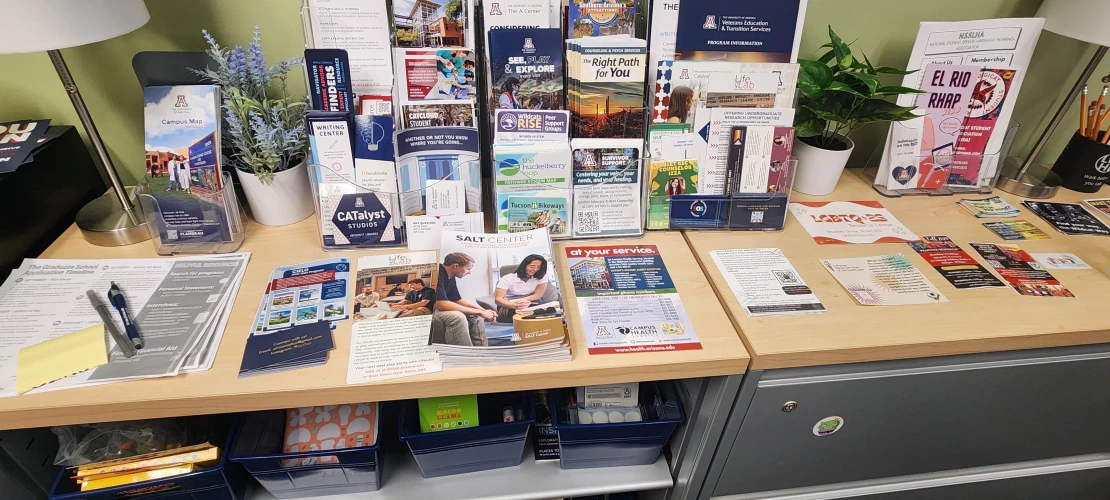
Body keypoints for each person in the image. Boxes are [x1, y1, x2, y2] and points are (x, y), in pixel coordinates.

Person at [433, 252, 495, 346]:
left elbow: (457, 300)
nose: (469, 272)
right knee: (457, 317)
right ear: (455, 266)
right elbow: (441, 304)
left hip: (438, 308)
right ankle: (466, 354)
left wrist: (483, 311)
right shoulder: (436, 273)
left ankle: (482, 352)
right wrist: (479, 312)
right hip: (429, 311)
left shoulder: (450, 276)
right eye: (468, 269)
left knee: (476, 315)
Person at [493, 254, 549, 322]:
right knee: (514, 315)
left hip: (532, 301)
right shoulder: (507, 278)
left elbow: (537, 296)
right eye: (532, 267)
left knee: (539, 312)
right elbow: (498, 299)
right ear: (524, 266)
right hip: (509, 303)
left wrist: (514, 301)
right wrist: (510, 305)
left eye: (538, 267)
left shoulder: (541, 276)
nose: (535, 269)